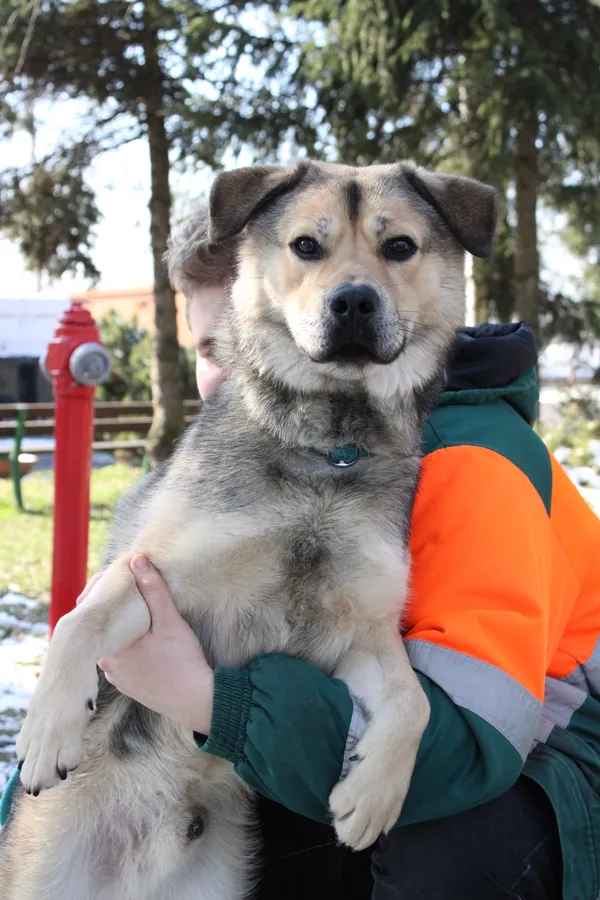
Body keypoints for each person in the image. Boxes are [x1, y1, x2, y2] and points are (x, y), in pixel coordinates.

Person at [3, 202, 600, 900]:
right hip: (279, 749)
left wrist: (206, 699)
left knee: (433, 844)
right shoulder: (252, 447)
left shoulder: (472, 461)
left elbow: (466, 749)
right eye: (209, 347)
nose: (236, 365)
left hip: (536, 776)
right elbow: (97, 669)